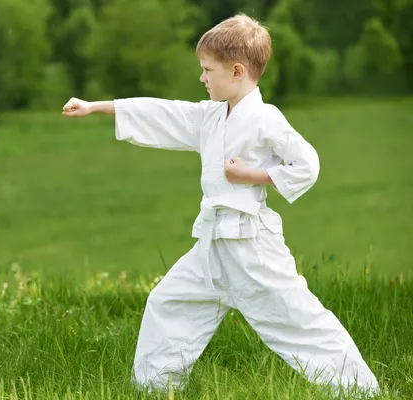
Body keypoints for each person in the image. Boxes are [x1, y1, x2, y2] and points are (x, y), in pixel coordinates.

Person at [61, 13, 380, 398]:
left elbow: (306, 164)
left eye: (207, 70)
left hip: (251, 248)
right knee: (168, 303)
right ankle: (153, 390)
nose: (202, 78)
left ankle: (360, 392)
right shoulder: (209, 116)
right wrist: (96, 106)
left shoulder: (265, 118)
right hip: (212, 247)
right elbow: (163, 112)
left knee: (297, 322)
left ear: (237, 70)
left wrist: (254, 176)